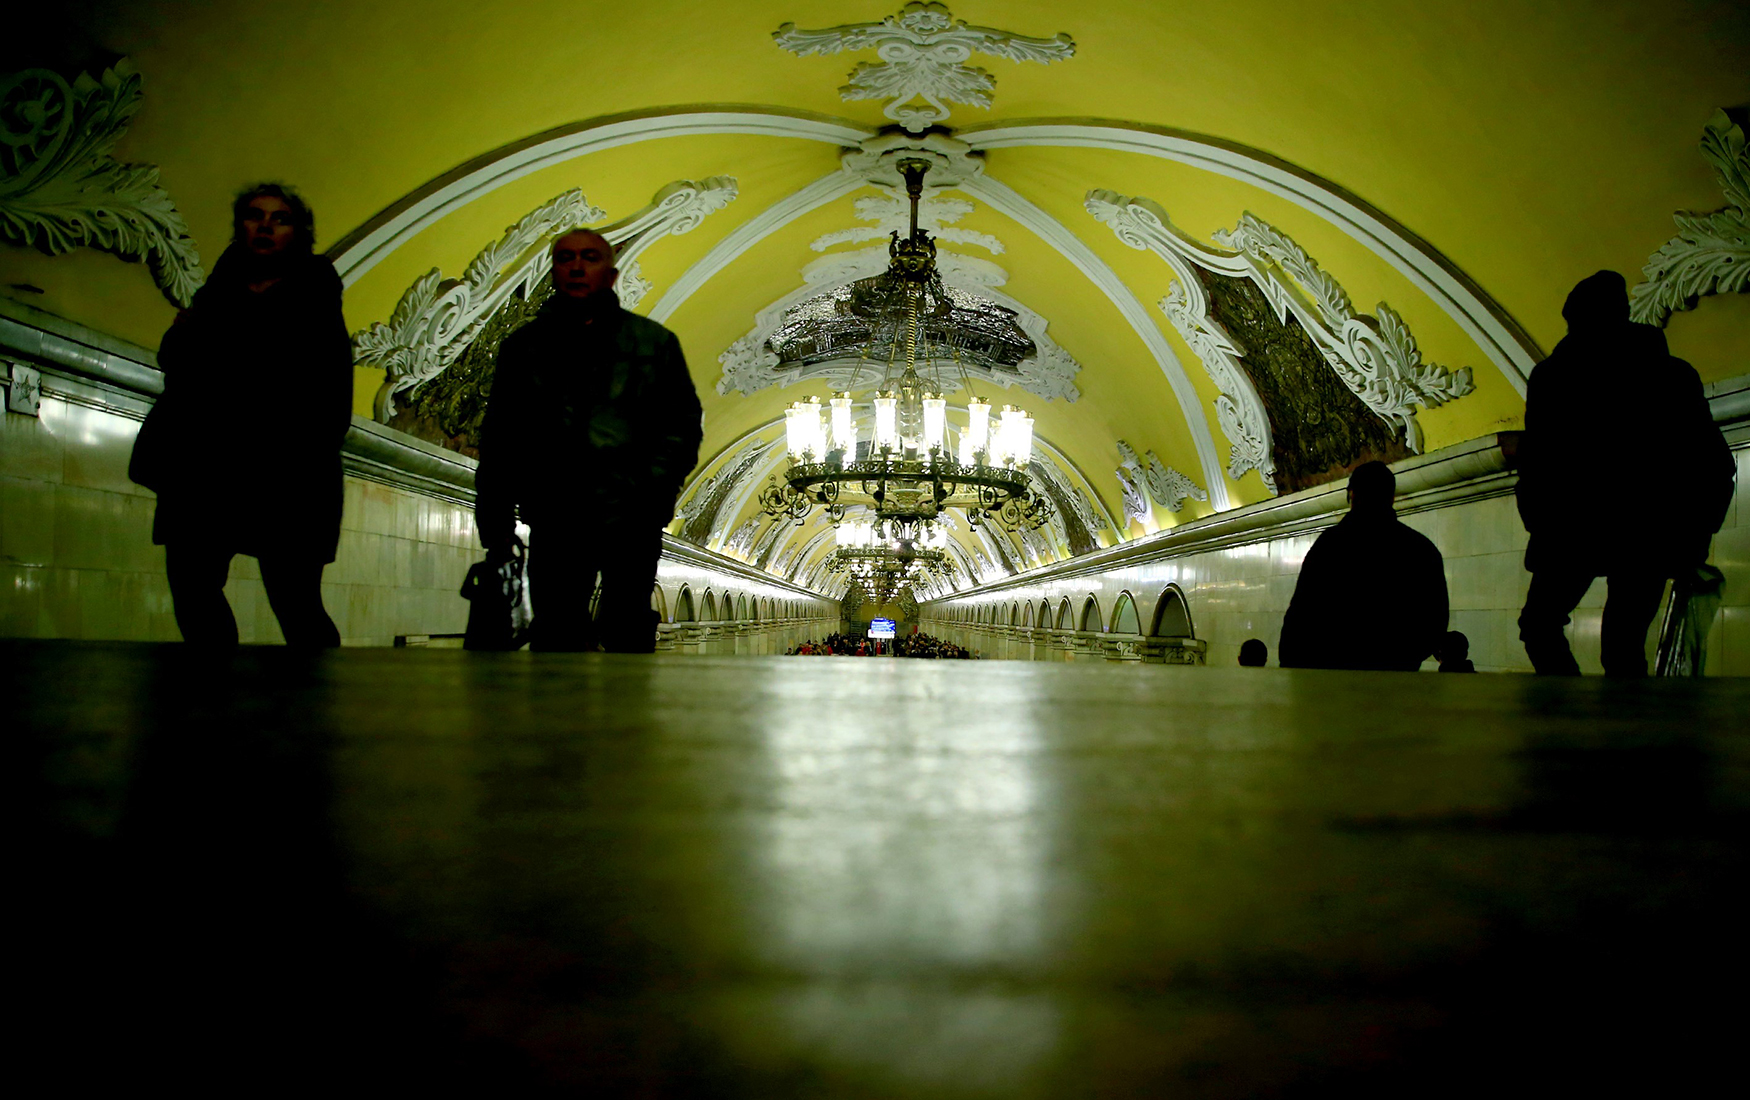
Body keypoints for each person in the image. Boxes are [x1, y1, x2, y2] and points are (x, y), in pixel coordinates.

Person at [130, 184, 352, 647]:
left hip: (288, 472)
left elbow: (325, 389)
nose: (265, 226)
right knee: (193, 590)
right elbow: (176, 359)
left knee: (295, 601)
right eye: (255, 215)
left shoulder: (315, 290)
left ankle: (317, 709)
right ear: (241, 226)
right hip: (203, 466)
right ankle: (216, 700)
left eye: (280, 218)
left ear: (298, 232)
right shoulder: (220, 285)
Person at [473, 229, 703, 652]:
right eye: (566, 257)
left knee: (628, 624)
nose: (577, 266)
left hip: (632, 514)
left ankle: (626, 718)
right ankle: (560, 718)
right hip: (555, 512)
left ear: (611, 274)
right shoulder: (524, 348)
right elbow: (501, 438)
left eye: (590, 257)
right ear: (554, 271)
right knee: (557, 626)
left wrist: (650, 489)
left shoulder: (653, 345)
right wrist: (497, 526)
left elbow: (682, 427)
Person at [1515, 271, 1735, 677]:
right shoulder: (1672, 374)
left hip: (1572, 525)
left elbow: (1540, 455)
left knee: (1540, 625)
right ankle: (1626, 731)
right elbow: (1709, 457)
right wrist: (1699, 529)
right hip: (1648, 528)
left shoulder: (1553, 378)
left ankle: (1566, 713)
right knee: (1624, 643)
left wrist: (1537, 518)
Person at [1278, 462, 1449, 671]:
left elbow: (1301, 614)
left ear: (1352, 495)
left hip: (1331, 679)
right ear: (1392, 497)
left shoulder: (1330, 546)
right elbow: (1435, 622)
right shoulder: (1421, 549)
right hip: (1397, 682)